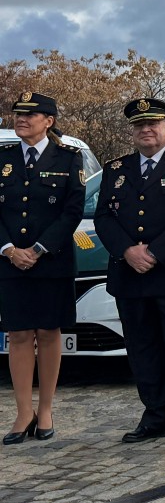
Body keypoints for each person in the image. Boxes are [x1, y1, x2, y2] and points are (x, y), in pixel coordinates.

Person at [94, 98, 165, 444]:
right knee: (142, 347)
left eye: (153, 124)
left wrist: (155, 252)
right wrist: (127, 250)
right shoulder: (116, 168)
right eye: (139, 125)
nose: (145, 130)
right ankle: (155, 414)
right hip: (130, 272)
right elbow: (104, 216)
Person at [0, 93, 84, 445]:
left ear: (48, 121)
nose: (21, 119)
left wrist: (37, 249)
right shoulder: (3, 158)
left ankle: (46, 409)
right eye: (18, 114)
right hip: (9, 261)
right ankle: (23, 412)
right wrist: (8, 249)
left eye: (30, 115)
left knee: (49, 333)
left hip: (51, 260)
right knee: (18, 335)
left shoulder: (68, 158)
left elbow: (72, 211)